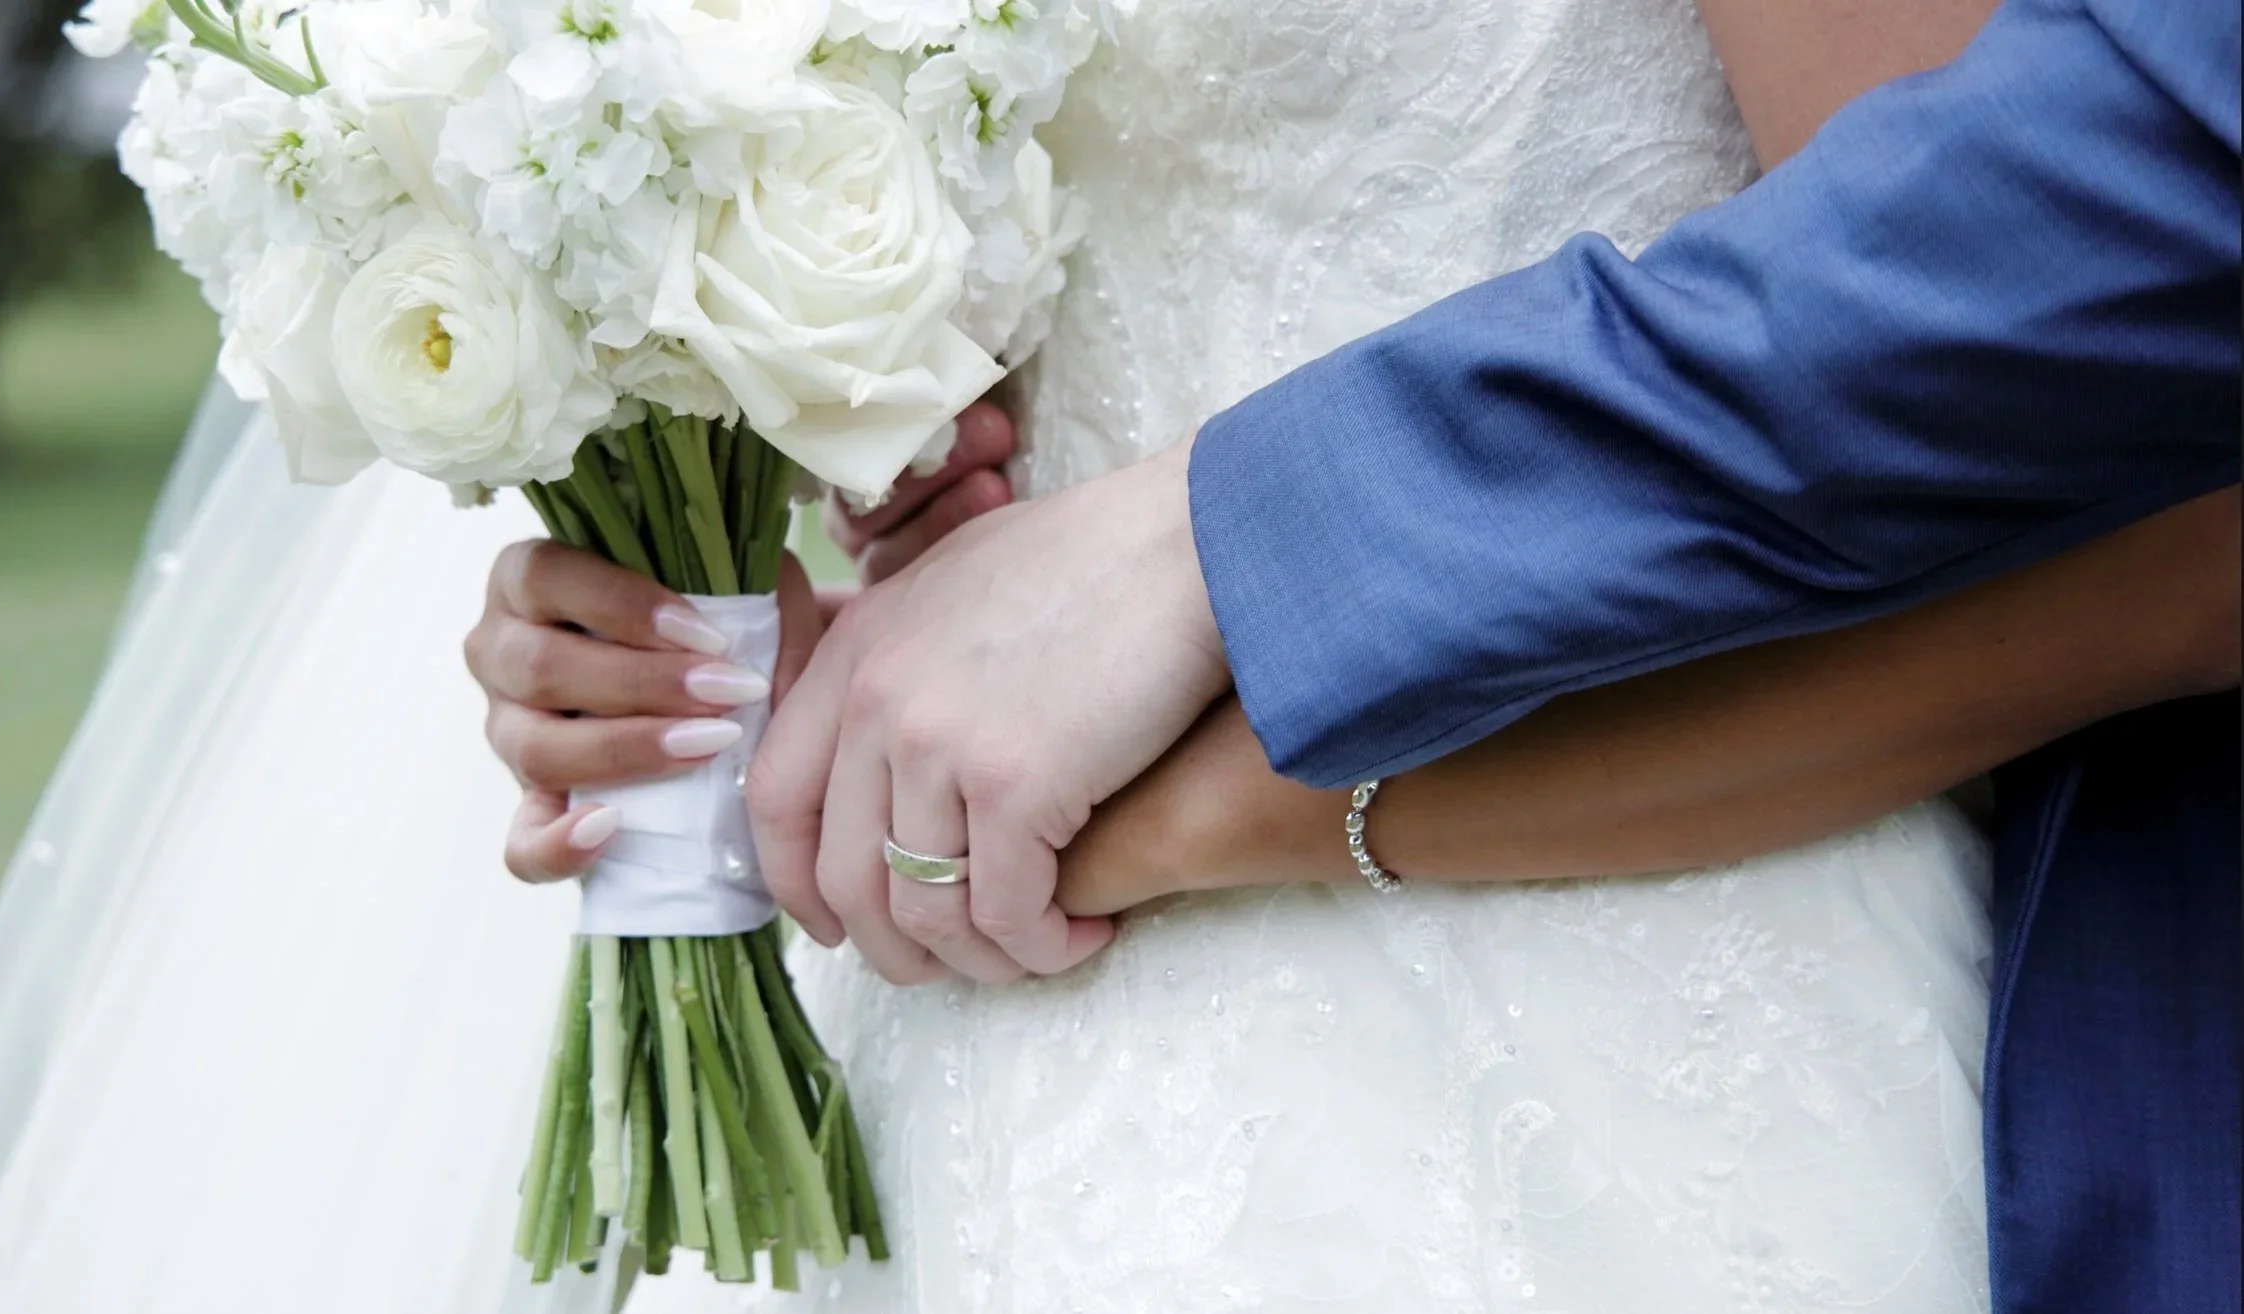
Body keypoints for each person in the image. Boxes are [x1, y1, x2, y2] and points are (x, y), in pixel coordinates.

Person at [691, 0, 2237, 1309]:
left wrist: (1203, 793)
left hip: (1621, 1040)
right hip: (990, 1096)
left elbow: (2148, 519)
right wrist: (831, 635)